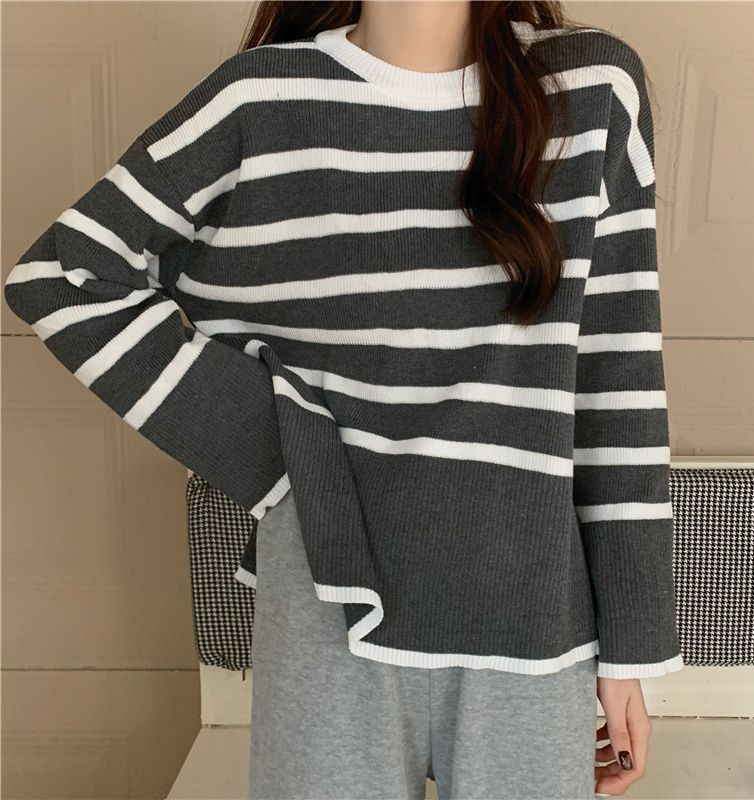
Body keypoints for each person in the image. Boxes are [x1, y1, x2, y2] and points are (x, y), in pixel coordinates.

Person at [3, 2, 685, 798]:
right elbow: (66, 277)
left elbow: (617, 373)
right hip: (326, 599)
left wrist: (632, 646)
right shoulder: (259, 99)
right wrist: (284, 455)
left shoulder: (591, 88)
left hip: (531, 614)